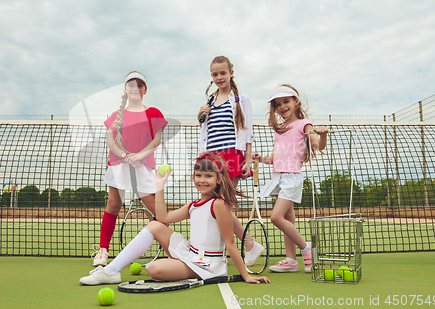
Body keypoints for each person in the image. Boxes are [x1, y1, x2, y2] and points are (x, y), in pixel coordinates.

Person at [79, 153, 270, 285]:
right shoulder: (193, 205)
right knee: (154, 225)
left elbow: (230, 243)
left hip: (208, 265)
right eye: (198, 175)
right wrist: (159, 185)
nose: (202, 180)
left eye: (208, 176)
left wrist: (245, 275)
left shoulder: (218, 205)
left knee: (154, 269)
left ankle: (112, 272)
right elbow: (163, 217)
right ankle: (111, 272)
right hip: (191, 253)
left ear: (219, 179)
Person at [92, 71, 167, 267]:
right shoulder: (116, 116)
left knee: (156, 210)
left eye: (139, 85)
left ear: (145, 90)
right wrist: (126, 156)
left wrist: (140, 156)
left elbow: (156, 140)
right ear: (125, 89)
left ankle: (171, 247)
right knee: (114, 204)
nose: (135, 88)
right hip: (119, 165)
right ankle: (103, 250)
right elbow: (111, 141)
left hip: (144, 165)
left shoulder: (154, 113)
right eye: (131, 85)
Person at [252, 84, 328, 273]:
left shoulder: (304, 124)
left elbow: (319, 146)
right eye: (278, 104)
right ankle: (291, 261)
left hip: (292, 178)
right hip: (278, 178)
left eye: (286, 101)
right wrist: (261, 159)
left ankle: (306, 248)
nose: (282, 106)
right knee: (288, 219)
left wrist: (323, 135)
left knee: (275, 217)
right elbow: (274, 159)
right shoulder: (280, 129)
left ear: (296, 101)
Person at [197, 55, 263, 266]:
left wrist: (246, 160)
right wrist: (200, 115)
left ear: (231, 73)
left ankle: (244, 246)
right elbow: (207, 132)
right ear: (211, 76)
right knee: (212, 205)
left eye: (223, 73)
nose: (219, 77)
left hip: (231, 157)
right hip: (210, 159)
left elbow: (247, 130)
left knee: (223, 206)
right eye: (215, 74)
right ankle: (245, 246)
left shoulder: (241, 99)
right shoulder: (209, 102)